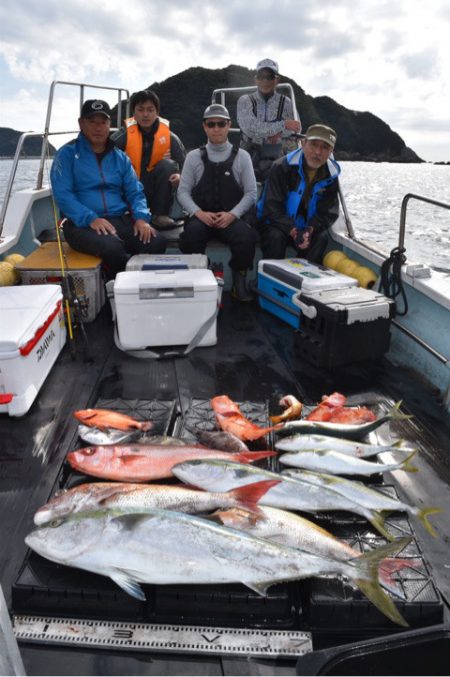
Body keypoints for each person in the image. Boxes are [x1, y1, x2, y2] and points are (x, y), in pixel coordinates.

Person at [50, 99, 167, 280]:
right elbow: (63, 195)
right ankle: (113, 295)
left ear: (109, 125)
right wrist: (91, 218)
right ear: (81, 123)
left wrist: (141, 219)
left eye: (103, 122)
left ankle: (140, 288)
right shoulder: (66, 154)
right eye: (92, 122)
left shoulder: (120, 157)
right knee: (113, 247)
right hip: (80, 224)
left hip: (118, 218)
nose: (98, 127)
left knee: (156, 241)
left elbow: (135, 192)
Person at [177, 104, 257, 302]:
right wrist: (198, 213)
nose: (216, 128)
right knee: (191, 235)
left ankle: (239, 280)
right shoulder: (193, 157)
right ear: (204, 126)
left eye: (221, 123)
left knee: (246, 237)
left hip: (230, 217)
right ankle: (196, 279)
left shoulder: (242, 157)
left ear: (229, 125)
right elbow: (183, 192)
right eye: (211, 124)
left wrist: (233, 215)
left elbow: (251, 193)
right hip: (202, 217)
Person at [256, 123, 341, 263]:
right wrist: (293, 231)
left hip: (306, 226)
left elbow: (328, 212)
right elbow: (271, 207)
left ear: (331, 151)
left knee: (322, 237)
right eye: (314, 144)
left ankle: (304, 277)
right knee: (275, 236)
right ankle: (271, 278)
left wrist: (310, 230)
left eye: (325, 147)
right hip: (275, 223)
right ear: (303, 143)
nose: (318, 152)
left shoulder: (331, 176)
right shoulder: (281, 167)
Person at [112, 89, 186, 229]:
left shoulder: (170, 138)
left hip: (155, 191)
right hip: (129, 190)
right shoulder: (121, 137)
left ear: (157, 112)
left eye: (150, 110)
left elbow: (186, 167)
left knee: (167, 165)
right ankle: (124, 214)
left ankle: (160, 216)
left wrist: (179, 176)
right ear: (134, 112)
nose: (145, 114)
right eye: (140, 110)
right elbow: (103, 162)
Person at [237, 58, 301, 181]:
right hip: (251, 152)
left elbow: (297, 128)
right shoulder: (245, 100)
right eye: (261, 76)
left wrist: (278, 133)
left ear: (277, 80)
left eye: (270, 76)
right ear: (255, 79)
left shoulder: (286, 102)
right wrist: (282, 126)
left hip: (278, 153)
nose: (265, 80)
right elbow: (251, 128)